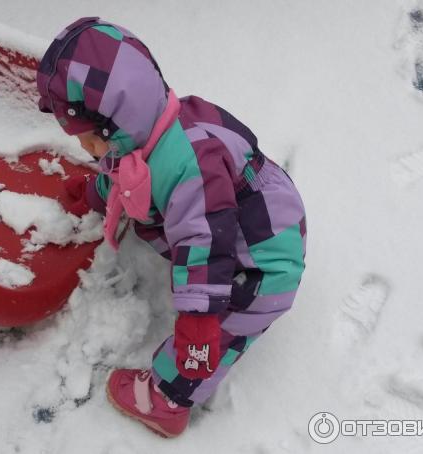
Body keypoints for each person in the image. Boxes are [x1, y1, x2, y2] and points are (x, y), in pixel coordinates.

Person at [37, 17, 307, 438]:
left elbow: (205, 240)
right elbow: (128, 171)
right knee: (183, 225)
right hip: (233, 220)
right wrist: (95, 193)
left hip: (266, 254)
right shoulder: (143, 132)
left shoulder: (188, 164)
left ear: (116, 120)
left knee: (214, 332)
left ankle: (168, 399)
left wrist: (199, 317)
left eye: (89, 137)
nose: (84, 147)